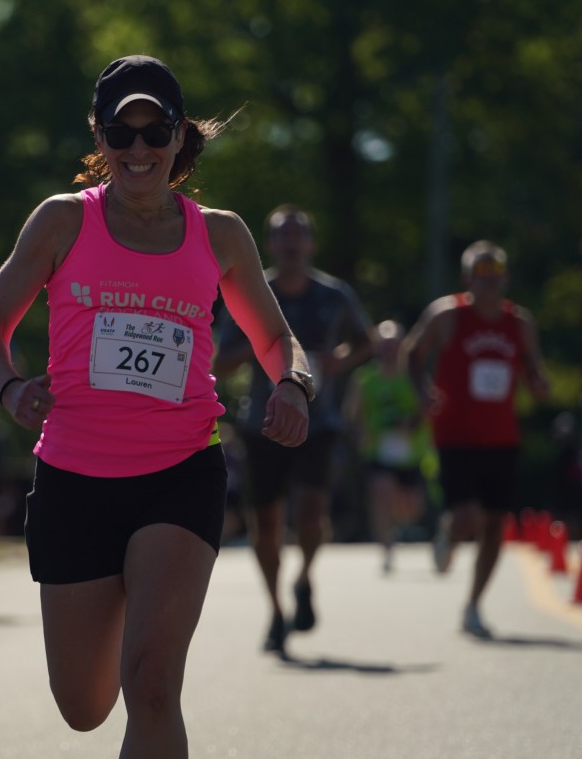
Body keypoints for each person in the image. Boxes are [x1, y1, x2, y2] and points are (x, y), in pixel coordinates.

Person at [0, 54, 312, 759]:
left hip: (179, 470)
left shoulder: (220, 234)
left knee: (152, 680)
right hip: (76, 478)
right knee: (83, 704)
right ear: (99, 137)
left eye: (154, 130)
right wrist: (11, 388)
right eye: (120, 131)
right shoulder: (61, 221)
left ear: (178, 137)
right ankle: (115, 615)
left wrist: (294, 385)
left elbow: (277, 336)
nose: (137, 147)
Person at [214, 204, 372, 653]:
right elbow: (220, 362)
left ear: (310, 243)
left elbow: (365, 341)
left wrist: (338, 361)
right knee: (265, 522)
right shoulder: (251, 291)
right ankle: (276, 610)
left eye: (298, 234)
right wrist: (262, 343)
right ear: (269, 243)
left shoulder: (334, 295)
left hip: (319, 421)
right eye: (282, 235)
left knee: (310, 512)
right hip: (262, 423)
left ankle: (303, 578)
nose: (290, 243)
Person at [403, 240, 549, 639]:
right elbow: (412, 352)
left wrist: (539, 384)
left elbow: (533, 368)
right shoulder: (447, 315)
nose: (489, 281)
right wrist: (422, 391)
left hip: (502, 437)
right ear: (468, 278)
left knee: (494, 523)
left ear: (506, 278)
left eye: (495, 273)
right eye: (481, 274)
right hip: (454, 435)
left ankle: (473, 604)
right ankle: (450, 534)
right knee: (466, 517)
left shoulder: (520, 323)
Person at [346, 320, 430, 573]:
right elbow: (351, 415)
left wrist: (411, 424)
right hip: (377, 450)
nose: (388, 351)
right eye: (383, 346)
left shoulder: (413, 376)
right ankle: (386, 548)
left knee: (410, 510)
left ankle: (400, 526)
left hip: (410, 452)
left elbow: (428, 406)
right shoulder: (364, 379)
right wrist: (359, 433)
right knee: (380, 491)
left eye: (393, 346)